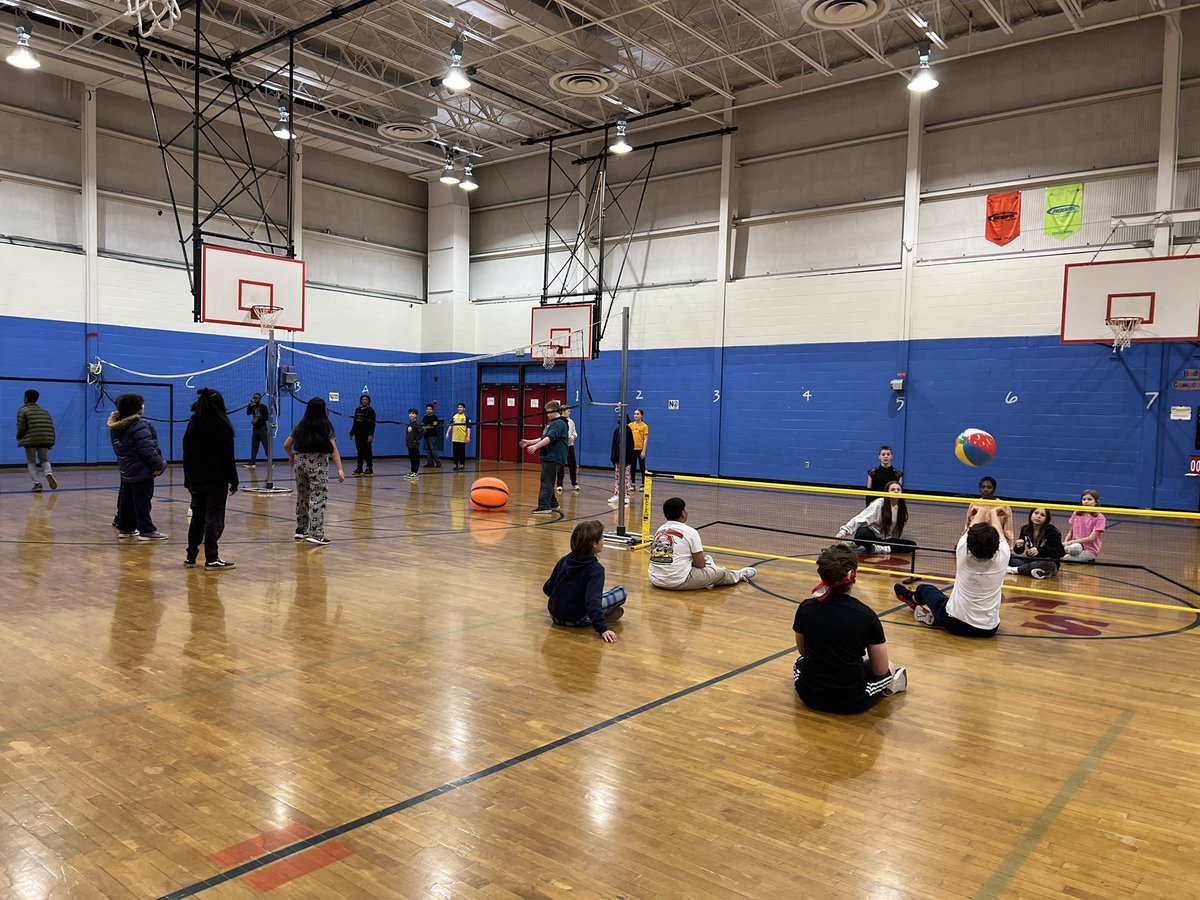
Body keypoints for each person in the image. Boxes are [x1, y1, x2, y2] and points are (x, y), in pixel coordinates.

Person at [792, 544, 907, 714]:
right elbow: (880, 669)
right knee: (889, 667)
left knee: (800, 663)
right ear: (853, 576)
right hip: (852, 701)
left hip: (810, 695)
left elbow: (803, 651)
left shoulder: (805, 608)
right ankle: (892, 684)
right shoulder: (866, 616)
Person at [894, 505, 1010, 638]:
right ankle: (933, 616)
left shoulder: (963, 553)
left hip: (954, 622)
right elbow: (1001, 535)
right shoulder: (1004, 556)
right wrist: (994, 513)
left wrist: (982, 510)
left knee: (925, 589)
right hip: (988, 630)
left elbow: (970, 530)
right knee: (947, 603)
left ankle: (912, 598)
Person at [182, 388, 238, 569]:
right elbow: (227, 457)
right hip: (216, 479)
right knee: (214, 517)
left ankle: (191, 557)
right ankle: (212, 558)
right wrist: (234, 480)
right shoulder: (222, 424)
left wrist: (187, 479)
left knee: (197, 517)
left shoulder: (193, 423)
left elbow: (187, 453)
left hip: (196, 479)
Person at [544, 520, 626, 642]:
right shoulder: (595, 570)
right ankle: (600, 616)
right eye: (602, 538)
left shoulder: (564, 560)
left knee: (592, 597)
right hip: (576, 620)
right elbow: (592, 603)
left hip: (554, 616)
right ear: (593, 544)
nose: (603, 541)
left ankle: (600, 614)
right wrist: (603, 629)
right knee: (621, 592)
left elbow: (547, 589)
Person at [649, 497, 756, 590]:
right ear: (683, 513)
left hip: (655, 580)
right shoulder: (691, 532)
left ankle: (710, 566)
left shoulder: (659, 530)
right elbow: (700, 565)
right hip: (677, 582)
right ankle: (739, 575)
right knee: (721, 572)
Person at [283, 397, 345, 545]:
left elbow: (287, 445)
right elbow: (333, 449)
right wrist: (340, 469)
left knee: (303, 495)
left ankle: (301, 529)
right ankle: (316, 533)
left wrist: (292, 456)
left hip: (300, 461)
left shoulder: (301, 425)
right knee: (318, 496)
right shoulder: (326, 426)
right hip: (318, 462)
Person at [108, 393, 167, 541]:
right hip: (142, 471)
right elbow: (147, 450)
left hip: (127, 470)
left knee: (126, 501)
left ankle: (126, 529)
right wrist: (159, 465)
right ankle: (146, 530)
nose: (143, 405)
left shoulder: (116, 426)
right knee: (142, 501)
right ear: (136, 407)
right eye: (142, 403)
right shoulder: (139, 425)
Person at [835, 481, 915, 555]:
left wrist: (895, 542)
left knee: (912, 545)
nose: (896, 491)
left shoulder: (902, 508)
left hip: (885, 539)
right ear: (887, 492)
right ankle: (856, 543)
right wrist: (843, 531)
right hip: (873, 536)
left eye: (898, 489)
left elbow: (896, 532)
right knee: (862, 533)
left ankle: (878, 548)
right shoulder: (879, 504)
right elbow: (860, 518)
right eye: (893, 489)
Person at [520, 399, 568, 514]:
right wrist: (529, 442)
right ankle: (553, 504)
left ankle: (544, 506)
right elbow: (543, 437)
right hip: (548, 456)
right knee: (547, 480)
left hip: (554, 457)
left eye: (549, 412)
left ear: (556, 411)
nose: (547, 414)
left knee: (546, 481)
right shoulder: (551, 423)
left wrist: (535, 447)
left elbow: (549, 438)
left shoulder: (559, 423)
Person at [16, 389, 57, 492]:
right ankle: (48, 473)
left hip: (31, 440)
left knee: (31, 461)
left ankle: (37, 484)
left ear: (25, 398)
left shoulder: (23, 410)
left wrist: (19, 437)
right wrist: (51, 442)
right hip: (46, 439)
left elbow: (21, 427)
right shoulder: (44, 410)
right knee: (44, 459)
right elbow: (50, 426)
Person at [1007, 507, 1065, 578]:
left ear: (1046, 519)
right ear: (1031, 515)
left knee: (1048, 563)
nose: (1038, 516)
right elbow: (1019, 552)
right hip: (1030, 561)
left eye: (1042, 515)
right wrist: (1019, 546)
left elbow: (1061, 552)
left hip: (1047, 563)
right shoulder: (1025, 529)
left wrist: (1040, 550)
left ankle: (1015, 570)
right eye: (1036, 513)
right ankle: (1037, 572)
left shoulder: (1052, 532)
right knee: (1009, 556)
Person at [966, 475, 1014, 544]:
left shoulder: (1004, 506)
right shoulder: (974, 504)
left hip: (997, 542)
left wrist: (1009, 545)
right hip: (976, 541)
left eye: (989, 487)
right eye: (983, 487)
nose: (985, 490)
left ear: (994, 489)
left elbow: (1008, 529)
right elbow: (967, 524)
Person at [1064, 489, 1106, 562]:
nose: (1086, 501)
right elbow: (1071, 531)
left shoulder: (1100, 517)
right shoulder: (1076, 513)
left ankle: (1088, 558)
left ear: (1096, 502)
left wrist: (1070, 542)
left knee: (1066, 559)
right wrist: (1065, 543)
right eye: (1084, 499)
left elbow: (1092, 538)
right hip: (1075, 545)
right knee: (1074, 548)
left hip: (1090, 550)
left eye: (1089, 499)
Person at [609, 414, 638, 504]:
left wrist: (628, 458)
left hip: (626, 459)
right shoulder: (617, 430)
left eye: (620, 418)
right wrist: (613, 457)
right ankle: (617, 494)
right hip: (617, 458)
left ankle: (626, 495)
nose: (618, 419)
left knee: (626, 477)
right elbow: (614, 445)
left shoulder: (628, 430)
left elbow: (630, 445)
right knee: (617, 477)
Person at [349, 394, 376, 477]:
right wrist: (352, 433)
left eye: (366, 399)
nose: (364, 401)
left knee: (367, 451)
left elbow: (373, 424)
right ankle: (359, 468)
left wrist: (371, 435)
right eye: (363, 399)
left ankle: (369, 468)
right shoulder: (357, 410)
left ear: (369, 401)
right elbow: (355, 423)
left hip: (366, 435)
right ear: (361, 401)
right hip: (358, 434)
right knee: (360, 451)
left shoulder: (371, 411)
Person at [555, 406, 579, 493]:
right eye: (568, 411)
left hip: (570, 446)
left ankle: (574, 483)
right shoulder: (558, 422)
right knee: (561, 465)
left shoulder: (571, 422)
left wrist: (573, 436)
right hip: (561, 446)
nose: (570, 412)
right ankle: (559, 484)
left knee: (573, 465)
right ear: (563, 411)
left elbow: (574, 431)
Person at [244, 393, 269, 467]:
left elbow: (266, 418)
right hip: (255, 428)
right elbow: (248, 413)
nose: (254, 399)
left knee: (265, 445)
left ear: (260, 398)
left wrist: (257, 419)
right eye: (254, 398)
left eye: (256, 398)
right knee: (254, 445)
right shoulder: (253, 407)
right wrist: (249, 405)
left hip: (262, 428)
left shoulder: (264, 407)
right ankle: (252, 462)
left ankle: (271, 462)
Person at [445, 402, 471, 471]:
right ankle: (455, 464)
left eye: (461, 407)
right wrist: (447, 433)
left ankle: (462, 464)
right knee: (455, 452)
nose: (459, 408)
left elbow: (468, 428)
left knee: (461, 452)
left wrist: (468, 436)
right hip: (455, 438)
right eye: (458, 407)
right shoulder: (454, 416)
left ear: (464, 408)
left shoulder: (466, 417)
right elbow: (451, 425)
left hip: (462, 438)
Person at [630, 408, 649, 489]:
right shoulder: (630, 425)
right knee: (632, 467)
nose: (636, 415)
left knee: (642, 467)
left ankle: (643, 484)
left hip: (640, 449)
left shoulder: (644, 426)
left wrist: (643, 451)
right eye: (635, 414)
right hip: (632, 450)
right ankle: (632, 484)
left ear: (641, 415)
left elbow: (645, 439)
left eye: (637, 414)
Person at [422, 403, 442, 468]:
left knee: (433, 450)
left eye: (430, 409)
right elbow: (422, 425)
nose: (428, 410)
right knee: (428, 450)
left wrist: (426, 427)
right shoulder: (424, 417)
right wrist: (425, 427)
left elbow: (434, 425)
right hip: (426, 435)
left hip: (432, 436)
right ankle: (430, 463)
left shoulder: (434, 417)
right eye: (427, 409)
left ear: (432, 410)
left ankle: (438, 463)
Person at [403, 408, 422, 477]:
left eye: (413, 413)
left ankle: (415, 472)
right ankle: (412, 472)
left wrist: (416, 439)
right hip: (409, 444)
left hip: (415, 444)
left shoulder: (417, 424)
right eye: (410, 413)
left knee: (415, 458)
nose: (411, 415)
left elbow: (422, 432)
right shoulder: (409, 424)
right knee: (411, 458)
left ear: (416, 415)